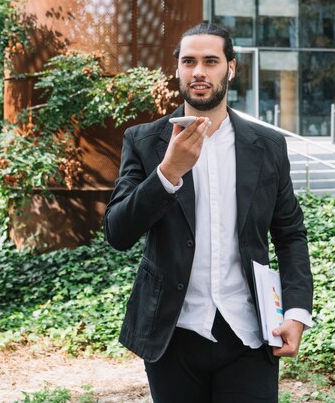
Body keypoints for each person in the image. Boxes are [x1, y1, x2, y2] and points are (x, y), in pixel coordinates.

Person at [104, 23, 313, 403]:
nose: (199, 71)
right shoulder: (145, 141)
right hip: (173, 334)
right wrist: (167, 173)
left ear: (230, 68)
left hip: (250, 332)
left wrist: (297, 312)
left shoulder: (268, 146)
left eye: (210, 61)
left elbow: (290, 234)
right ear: (178, 70)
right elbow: (118, 233)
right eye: (189, 61)